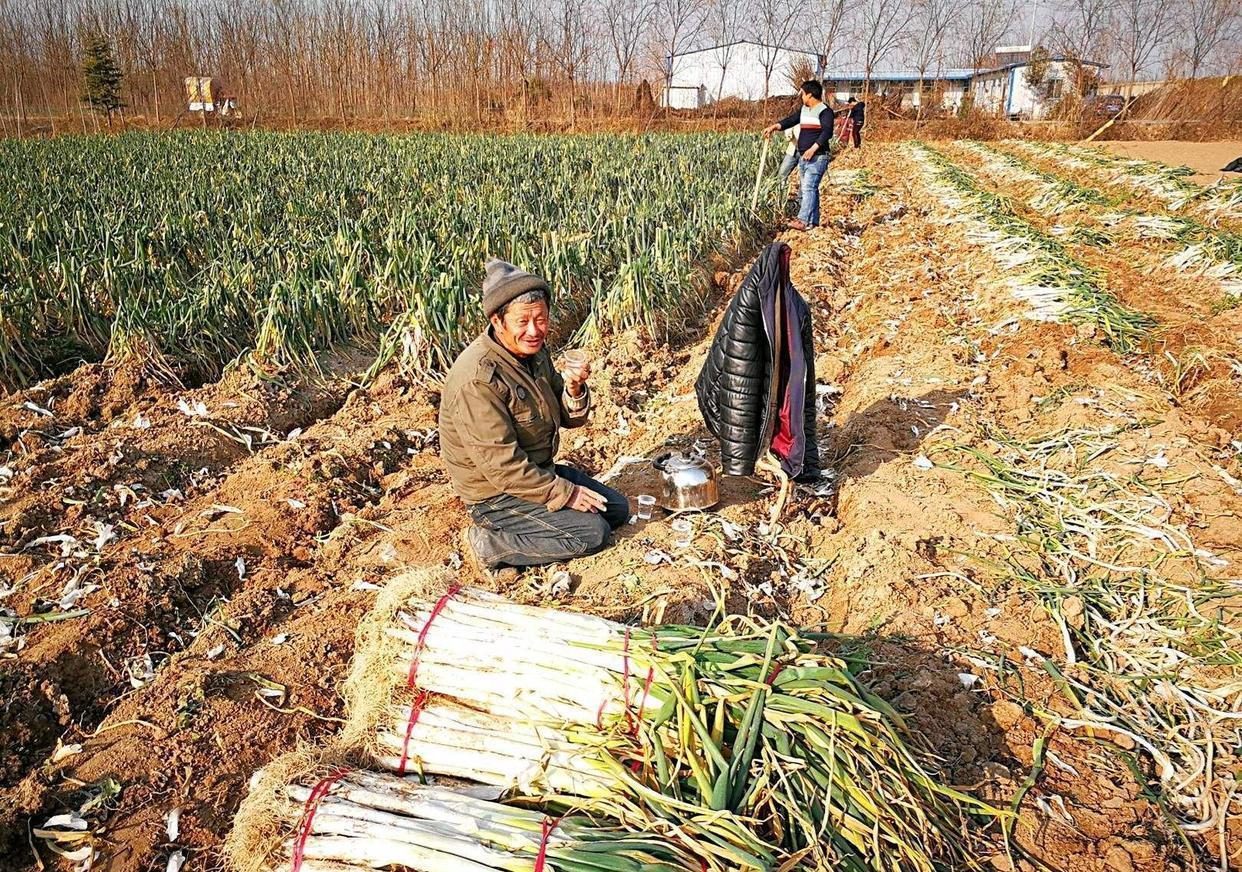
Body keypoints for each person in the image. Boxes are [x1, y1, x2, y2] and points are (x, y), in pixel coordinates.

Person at [439, 259, 630, 576]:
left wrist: (574, 388)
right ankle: (489, 543)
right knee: (593, 534)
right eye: (523, 321)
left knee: (617, 510)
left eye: (541, 319)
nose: (534, 330)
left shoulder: (533, 354)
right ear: (497, 322)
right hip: (496, 495)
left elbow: (567, 417)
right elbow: (504, 469)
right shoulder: (477, 380)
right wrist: (564, 493)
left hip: (536, 471)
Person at [763, 81, 834, 231]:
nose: (801, 96)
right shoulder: (804, 110)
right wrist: (774, 127)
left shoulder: (825, 111)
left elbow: (827, 132)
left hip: (818, 157)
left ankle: (802, 220)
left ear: (809, 94)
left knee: (808, 187)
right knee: (811, 188)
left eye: (802, 93)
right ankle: (813, 222)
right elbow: (791, 120)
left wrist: (813, 149)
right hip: (803, 157)